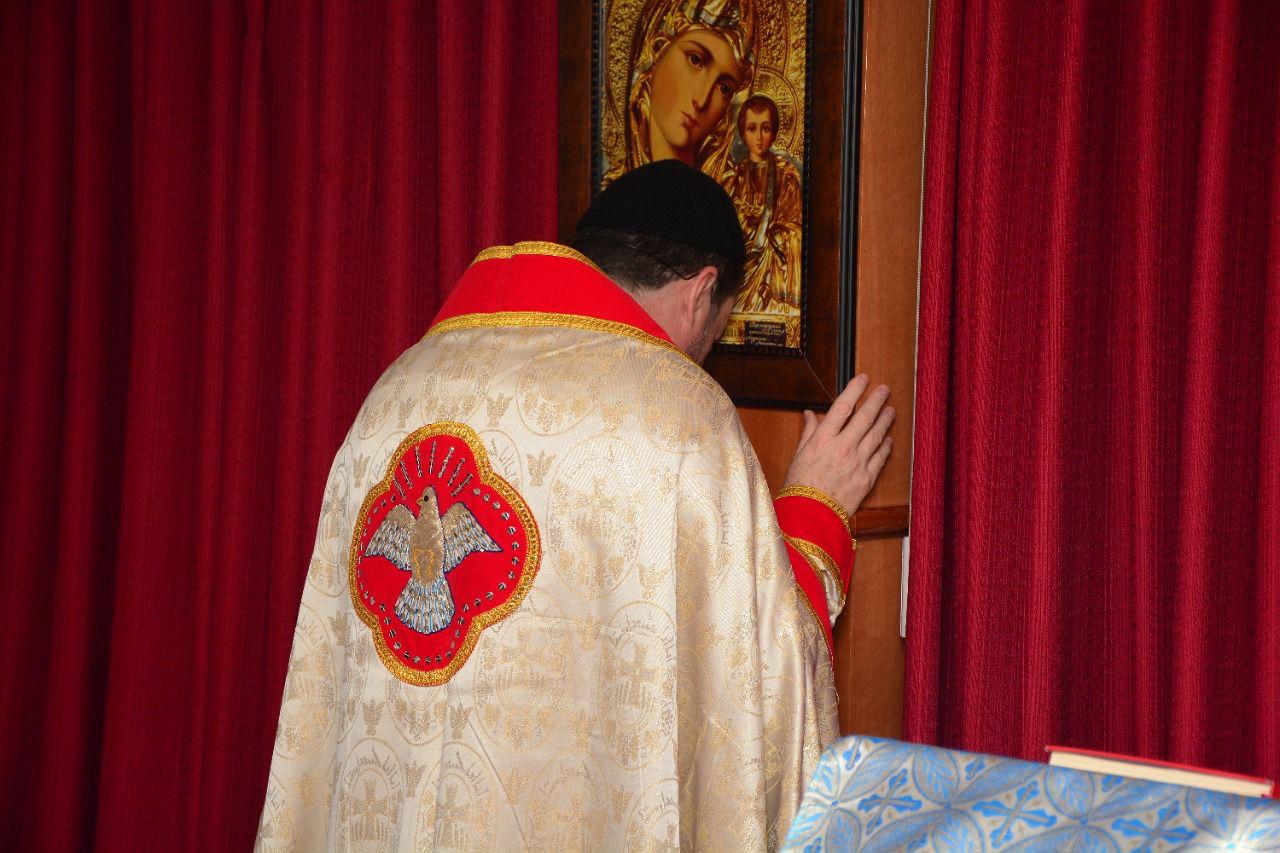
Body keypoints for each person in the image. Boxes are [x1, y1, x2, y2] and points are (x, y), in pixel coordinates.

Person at [255, 160, 893, 850]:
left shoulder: (396, 390)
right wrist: (814, 508)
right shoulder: (675, 413)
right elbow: (760, 684)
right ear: (703, 291)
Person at [604, 0, 755, 185]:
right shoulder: (615, 195)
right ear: (658, 47)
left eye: (724, 88)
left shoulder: (725, 201)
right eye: (695, 60)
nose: (701, 100)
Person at [722, 94, 804, 315]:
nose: (759, 137)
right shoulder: (734, 177)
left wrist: (776, 233)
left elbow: (795, 223)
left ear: (775, 132)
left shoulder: (786, 175)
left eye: (765, 128)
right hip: (742, 258)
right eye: (751, 129)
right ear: (742, 132)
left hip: (771, 255)